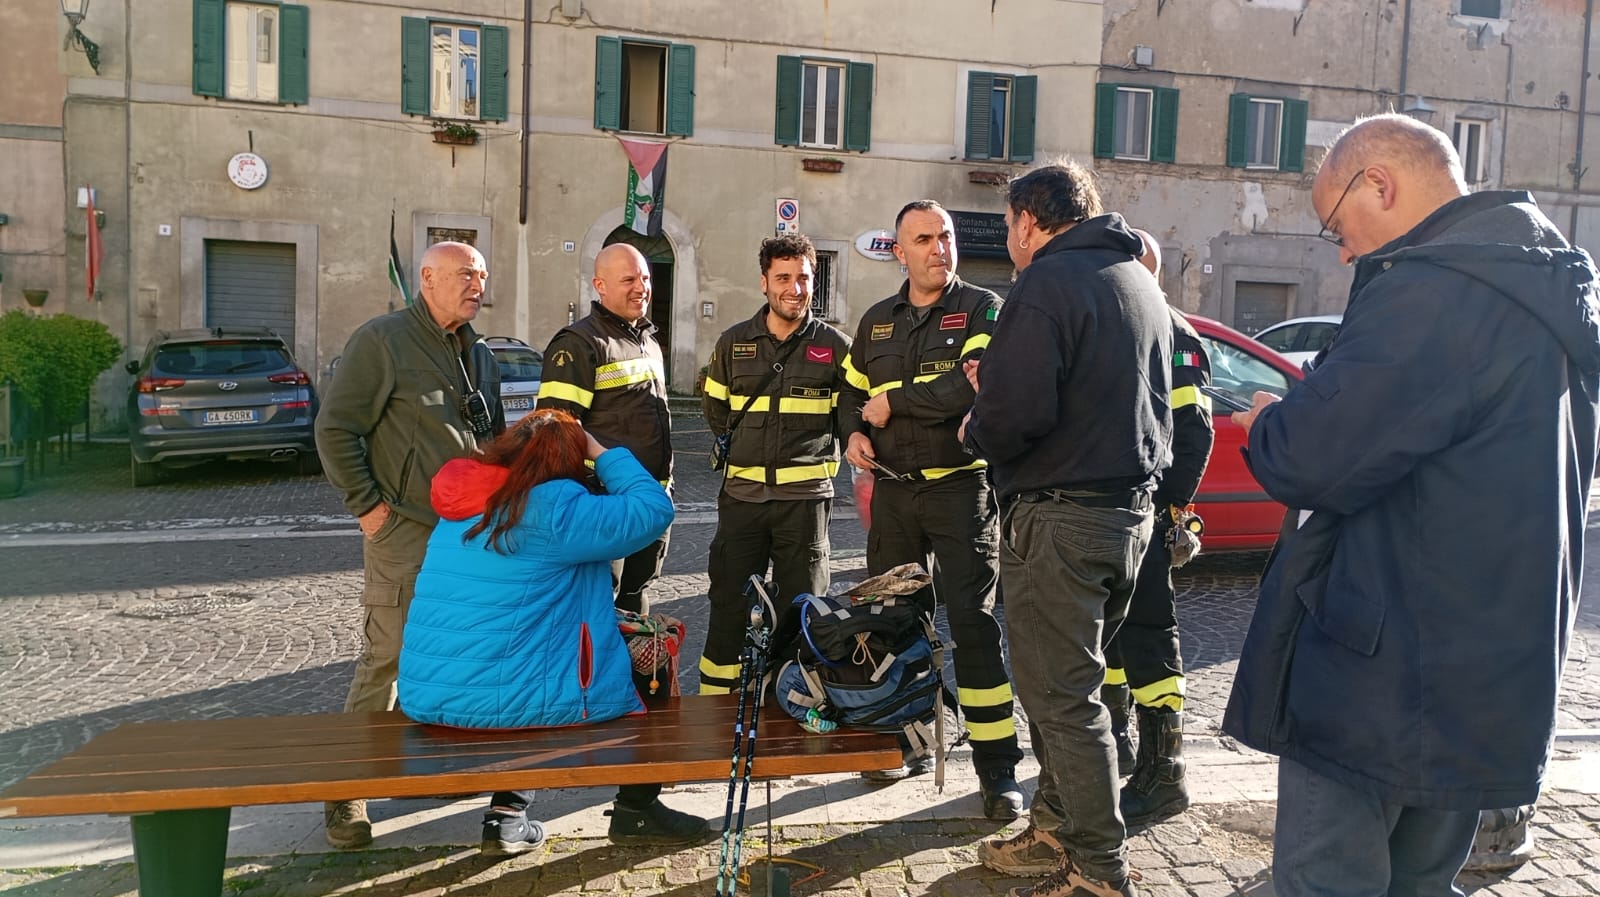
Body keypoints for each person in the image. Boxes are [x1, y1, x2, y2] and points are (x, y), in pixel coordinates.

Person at [1225, 113, 1600, 895]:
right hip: (1481, 668)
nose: (1344, 250)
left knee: (1328, 880)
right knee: (1421, 881)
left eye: (1337, 226)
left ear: (1381, 185)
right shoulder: (1537, 282)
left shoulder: (1435, 292)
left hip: (1380, 675)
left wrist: (1268, 422)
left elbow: (1312, 455)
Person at [961, 160, 1172, 897]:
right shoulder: (1136, 279)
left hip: (1061, 518)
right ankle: (1054, 825)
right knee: (1067, 688)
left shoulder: (1046, 283)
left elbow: (1016, 412)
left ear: (1026, 221)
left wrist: (976, 421)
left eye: (1012, 225)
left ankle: (1099, 870)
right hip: (1126, 519)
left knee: (1063, 698)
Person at [397, 409, 708, 855]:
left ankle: (507, 815)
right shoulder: (556, 509)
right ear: (568, 461)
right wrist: (600, 452)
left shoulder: (461, 504)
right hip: (501, 703)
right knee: (650, 656)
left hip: (431, 696)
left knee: (528, 656)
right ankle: (637, 809)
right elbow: (654, 508)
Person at [314, 240, 506, 849]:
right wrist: (370, 511)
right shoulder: (384, 341)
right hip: (404, 530)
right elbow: (335, 429)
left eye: (481, 275)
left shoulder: (478, 352)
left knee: (460, 653)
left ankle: (431, 767)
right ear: (426, 278)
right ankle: (346, 792)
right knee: (388, 655)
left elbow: (490, 437)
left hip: (469, 535)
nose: (477, 285)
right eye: (464, 275)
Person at [837, 200, 1023, 820]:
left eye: (944, 236)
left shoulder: (981, 307)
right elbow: (849, 389)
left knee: (973, 624)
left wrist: (894, 403)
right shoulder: (876, 321)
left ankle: (998, 769)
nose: (939, 247)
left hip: (960, 493)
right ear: (900, 250)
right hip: (893, 493)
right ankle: (901, 739)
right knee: (891, 621)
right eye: (924, 238)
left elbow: (972, 384)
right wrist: (851, 434)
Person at [697, 234, 851, 695]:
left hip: (804, 509)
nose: (795, 288)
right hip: (743, 502)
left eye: (804, 277)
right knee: (727, 604)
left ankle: (788, 701)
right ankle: (713, 710)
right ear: (764, 282)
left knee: (801, 611)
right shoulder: (733, 344)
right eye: (783, 278)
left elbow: (849, 420)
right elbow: (716, 412)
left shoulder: (838, 348)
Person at [1102, 231, 1215, 830]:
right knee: (1115, 637)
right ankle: (1118, 739)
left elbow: (1196, 431)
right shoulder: (1121, 324)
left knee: (1149, 635)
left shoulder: (1176, 333)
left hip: (1147, 509)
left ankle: (1165, 770)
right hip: (1114, 510)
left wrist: (1168, 509)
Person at [537, 243, 673, 615]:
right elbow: (556, 433)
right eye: (628, 279)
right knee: (597, 609)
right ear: (600, 285)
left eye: (645, 277)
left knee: (636, 602)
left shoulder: (647, 339)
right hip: (603, 503)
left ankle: (636, 675)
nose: (641, 287)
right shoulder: (579, 343)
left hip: (647, 501)